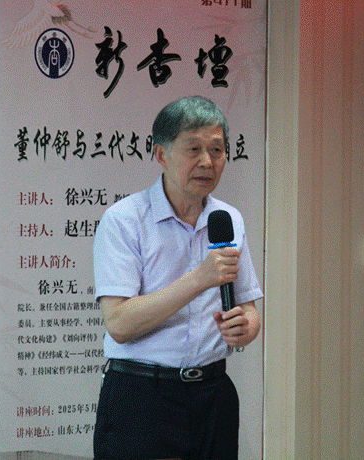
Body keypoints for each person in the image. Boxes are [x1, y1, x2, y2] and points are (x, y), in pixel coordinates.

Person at [92, 95, 263, 460]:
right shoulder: (125, 220)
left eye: (217, 150)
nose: (207, 162)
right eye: (193, 149)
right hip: (142, 397)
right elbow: (119, 323)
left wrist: (245, 326)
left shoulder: (228, 219)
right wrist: (199, 279)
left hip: (213, 394)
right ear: (161, 154)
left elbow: (248, 308)